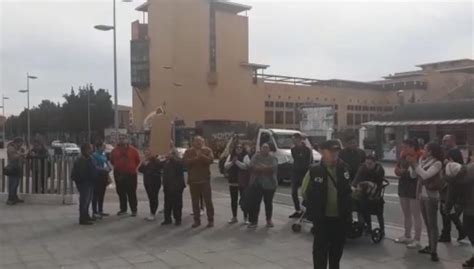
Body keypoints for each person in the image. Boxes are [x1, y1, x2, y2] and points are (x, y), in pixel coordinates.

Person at [302, 140, 352, 269]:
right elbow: (304, 192)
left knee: (336, 252)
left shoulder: (344, 167)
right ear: (323, 152)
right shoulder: (314, 170)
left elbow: (348, 191)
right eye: (331, 151)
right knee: (320, 252)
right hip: (322, 219)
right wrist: (314, 209)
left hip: (340, 218)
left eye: (336, 151)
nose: (334, 154)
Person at [408, 142, 444, 262]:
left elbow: (425, 175)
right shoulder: (423, 160)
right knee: (427, 223)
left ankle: (434, 251)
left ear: (431, 151)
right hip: (422, 195)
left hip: (431, 196)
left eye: (426, 149)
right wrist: (413, 165)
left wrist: (416, 165)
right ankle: (430, 245)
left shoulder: (437, 163)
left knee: (432, 224)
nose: (423, 151)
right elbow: (414, 175)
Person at [444, 159, 474, 268]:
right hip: (469, 207)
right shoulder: (471, 167)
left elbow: (450, 198)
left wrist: (446, 209)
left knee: (468, 228)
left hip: (470, 209)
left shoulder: (454, 181)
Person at [394, 139, 423, 249]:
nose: (403, 149)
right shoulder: (402, 156)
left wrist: (406, 170)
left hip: (414, 187)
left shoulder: (419, 156)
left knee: (416, 214)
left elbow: (415, 174)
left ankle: (417, 239)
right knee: (406, 213)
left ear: (412, 146)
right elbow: (397, 169)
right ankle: (407, 235)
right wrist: (399, 171)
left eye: (405, 147)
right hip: (403, 186)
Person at [183, 136, 215, 228]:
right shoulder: (188, 151)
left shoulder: (208, 150)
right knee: (195, 202)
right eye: (196, 141)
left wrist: (202, 156)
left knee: (208, 201)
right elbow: (185, 162)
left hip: (205, 180)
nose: (198, 143)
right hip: (193, 180)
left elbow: (211, 160)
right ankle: (196, 221)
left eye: (200, 141)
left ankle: (210, 220)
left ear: (203, 142)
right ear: (193, 142)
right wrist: (196, 159)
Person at [439, 134, 465, 243]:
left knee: (446, 210)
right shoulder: (454, 151)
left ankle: (451, 233)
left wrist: (446, 166)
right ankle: (449, 233)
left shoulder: (453, 152)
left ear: (452, 141)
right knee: (446, 210)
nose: (444, 143)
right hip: (450, 184)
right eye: (443, 141)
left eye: (446, 141)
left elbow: (456, 168)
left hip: (450, 184)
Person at [352, 155, 385, 236]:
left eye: (370, 164)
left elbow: (379, 185)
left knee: (364, 203)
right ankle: (364, 224)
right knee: (356, 200)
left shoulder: (379, 170)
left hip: (375, 192)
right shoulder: (363, 168)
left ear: (375, 163)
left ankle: (369, 226)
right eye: (366, 163)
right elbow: (356, 181)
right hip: (362, 191)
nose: (368, 165)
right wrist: (355, 188)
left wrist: (370, 187)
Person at [247, 143, 278, 228]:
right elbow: (251, 166)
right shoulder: (256, 156)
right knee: (255, 203)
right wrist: (264, 168)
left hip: (270, 185)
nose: (265, 149)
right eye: (263, 147)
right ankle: (253, 221)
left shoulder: (273, 158)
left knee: (268, 203)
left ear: (269, 149)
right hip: (257, 184)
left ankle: (269, 220)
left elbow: (272, 168)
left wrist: (260, 167)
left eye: (267, 147)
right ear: (260, 148)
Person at [110, 135, 141, 217]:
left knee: (131, 192)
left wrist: (131, 168)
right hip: (119, 174)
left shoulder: (133, 150)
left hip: (130, 175)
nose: (122, 140)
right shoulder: (114, 151)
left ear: (127, 140)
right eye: (120, 138)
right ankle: (123, 209)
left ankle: (134, 210)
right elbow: (112, 161)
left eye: (123, 138)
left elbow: (138, 161)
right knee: (121, 192)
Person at [224, 143, 251, 224]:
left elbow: (246, 166)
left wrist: (237, 162)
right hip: (233, 181)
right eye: (237, 147)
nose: (239, 149)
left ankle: (246, 217)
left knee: (244, 200)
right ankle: (234, 217)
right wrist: (232, 162)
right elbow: (226, 166)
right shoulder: (231, 156)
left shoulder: (245, 156)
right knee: (233, 200)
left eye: (240, 148)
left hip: (242, 182)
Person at [71, 143, 97, 225]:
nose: (91, 150)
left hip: (90, 182)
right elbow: (82, 173)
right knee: (84, 200)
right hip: (84, 183)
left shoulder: (89, 158)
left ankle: (86, 215)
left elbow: (93, 168)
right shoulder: (81, 160)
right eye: (90, 149)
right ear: (85, 150)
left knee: (88, 200)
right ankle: (82, 218)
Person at [289, 133, 312, 219]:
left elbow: (308, 161)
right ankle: (297, 210)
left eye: (294, 139)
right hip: (295, 173)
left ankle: (304, 210)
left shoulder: (307, 149)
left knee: (305, 193)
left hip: (304, 173)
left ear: (298, 139)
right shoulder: (293, 149)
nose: (292, 141)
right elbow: (295, 159)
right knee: (293, 192)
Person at [161, 149, 186, 226]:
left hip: (177, 186)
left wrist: (172, 158)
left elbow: (180, 167)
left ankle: (178, 219)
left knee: (177, 204)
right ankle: (167, 219)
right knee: (167, 204)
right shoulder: (166, 162)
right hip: (168, 185)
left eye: (170, 154)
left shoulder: (179, 162)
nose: (168, 155)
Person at [138, 149, 163, 221]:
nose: (146, 155)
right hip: (147, 181)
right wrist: (143, 164)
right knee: (150, 197)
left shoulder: (156, 161)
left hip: (154, 182)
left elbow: (158, 168)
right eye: (145, 154)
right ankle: (152, 212)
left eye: (148, 154)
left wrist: (148, 165)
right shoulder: (146, 161)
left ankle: (153, 213)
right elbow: (140, 170)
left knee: (153, 197)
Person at [91, 142, 111, 219]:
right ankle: (94, 212)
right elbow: (94, 166)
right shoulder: (94, 155)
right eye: (103, 146)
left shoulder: (103, 155)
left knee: (102, 194)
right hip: (97, 177)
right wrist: (103, 169)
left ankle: (100, 210)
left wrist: (109, 167)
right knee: (95, 195)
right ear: (98, 147)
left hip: (104, 176)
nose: (104, 148)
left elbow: (106, 162)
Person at [6, 138, 25, 205]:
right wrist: (21, 154)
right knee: (13, 184)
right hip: (13, 168)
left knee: (16, 184)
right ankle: (10, 199)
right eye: (21, 143)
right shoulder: (11, 148)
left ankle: (15, 197)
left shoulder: (16, 148)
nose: (21, 145)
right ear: (17, 142)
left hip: (16, 168)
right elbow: (12, 157)